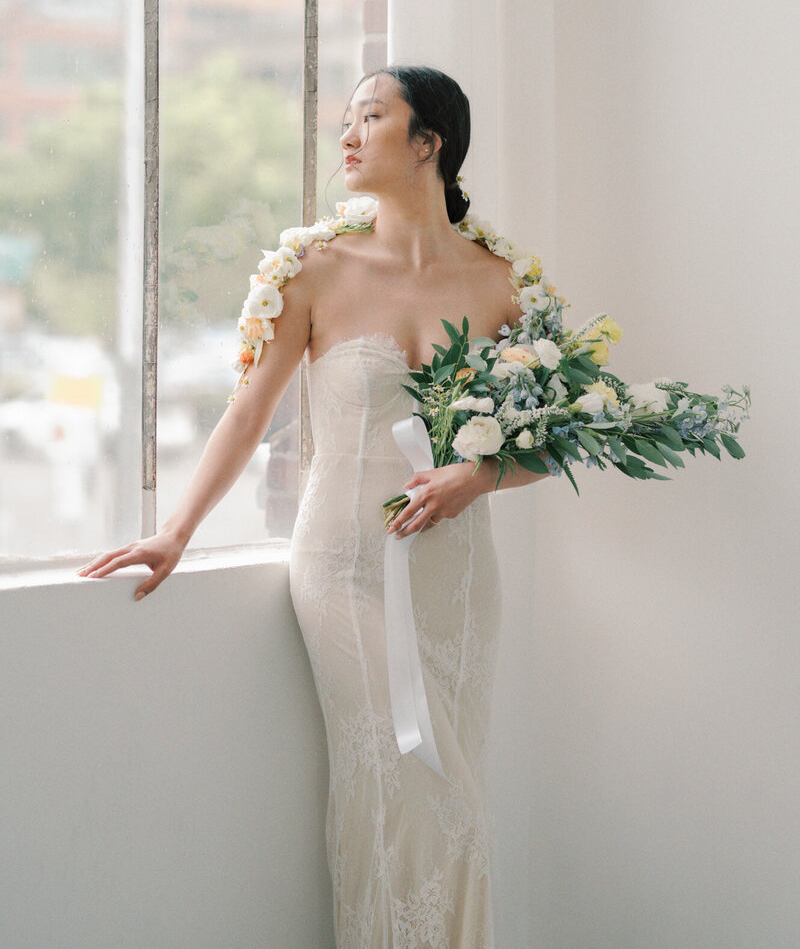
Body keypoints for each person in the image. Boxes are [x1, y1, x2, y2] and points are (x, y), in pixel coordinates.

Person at [77, 64, 555, 947]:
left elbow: (552, 441)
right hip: (345, 567)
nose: (348, 134)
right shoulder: (315, 270)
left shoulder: (503, 282)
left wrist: (474, 478)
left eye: (371, 117)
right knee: (409, 785)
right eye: (346, 118)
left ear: (428, 143)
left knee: (460, 797)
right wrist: (176, 530)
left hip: (457, 578)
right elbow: (248, 413)